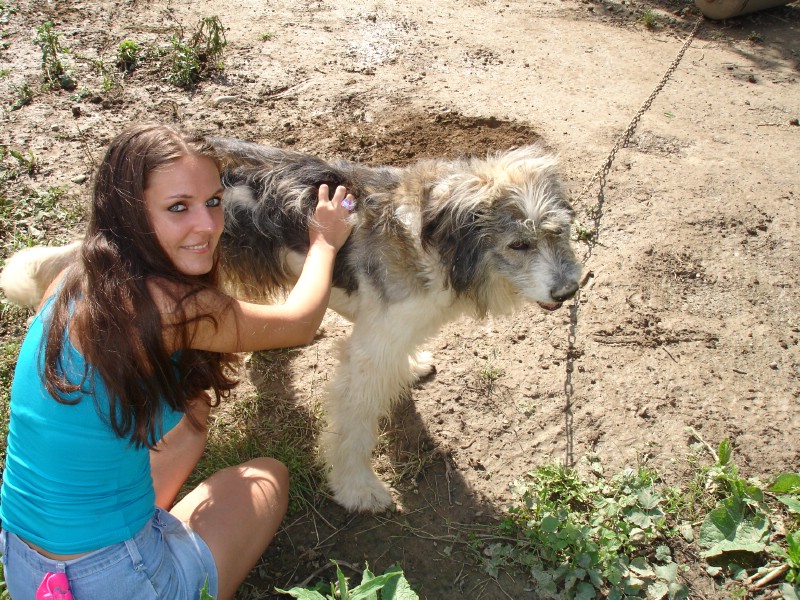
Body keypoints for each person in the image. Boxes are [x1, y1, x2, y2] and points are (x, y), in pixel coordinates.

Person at [0, 123, 354, 600]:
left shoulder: (73, 278)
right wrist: (324, 242)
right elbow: (298, 323)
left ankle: (139, 528)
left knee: (191, 413)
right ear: (130, 213)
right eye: (177, 207)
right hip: (118, 579)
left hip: (29, 569)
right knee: (270, 477)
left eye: (212, 201)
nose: (208, 226)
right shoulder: (173, 307)